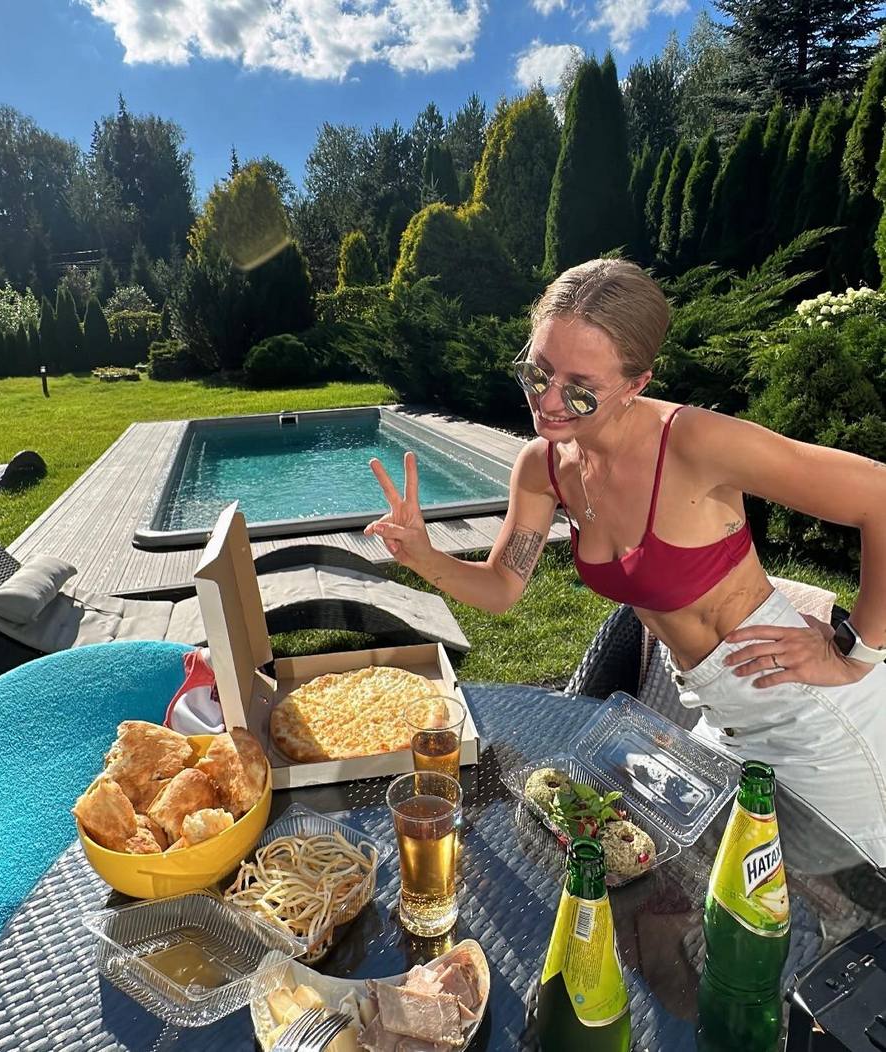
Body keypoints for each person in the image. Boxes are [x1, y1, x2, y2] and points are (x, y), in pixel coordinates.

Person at [364, 258, 886, 866]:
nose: (548, 401)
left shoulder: (693, 443)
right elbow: (503, 586)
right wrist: (423, 556)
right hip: (717, 717)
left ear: (637, 383)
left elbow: (878, 496)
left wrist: (857, 651)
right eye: (537, 371)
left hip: (810, 720)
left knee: (836, 906)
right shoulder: (544, 467)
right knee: (718, 892)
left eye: (579, 388)